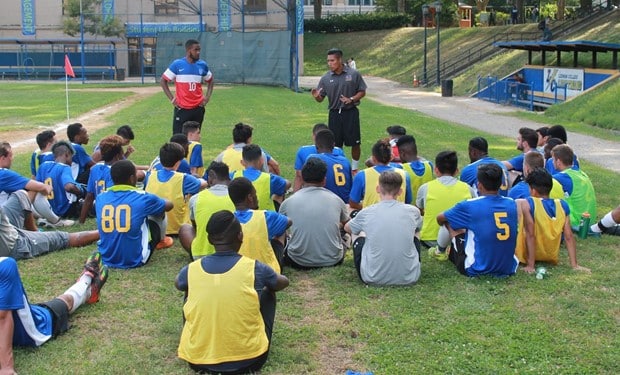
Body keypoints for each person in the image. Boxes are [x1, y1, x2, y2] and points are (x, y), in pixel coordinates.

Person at [175, 210, 289, 374]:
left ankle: (199, 342)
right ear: (240, 236)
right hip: (251, 360)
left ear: (209, 239)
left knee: (188, 290)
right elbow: (282, 282)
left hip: (197, 361)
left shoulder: (192, 269)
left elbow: (179, 284)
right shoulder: (254, 267)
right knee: (268, 291)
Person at [0, 252, 108, 374]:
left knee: (64, 302)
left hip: (28, 329)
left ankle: (86, 283)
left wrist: (6, 368)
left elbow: (2, 318)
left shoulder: (4, 265)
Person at [437, 163, 519, 277]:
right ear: (501, 184)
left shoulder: (469, 205)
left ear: (479, 185)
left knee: (449, 220)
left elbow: (440, 217)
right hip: (508, 267)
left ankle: (439, 251)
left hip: (476, 268)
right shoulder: (512, 203)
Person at [344, 170, 421, 286]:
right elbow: (418, 229)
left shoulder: (367, 212)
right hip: (410, 277)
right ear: (400, 191)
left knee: (356, 231)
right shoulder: (413, 211)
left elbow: (347, 228)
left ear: (378, 189)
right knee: (415, 232)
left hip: (372, 277)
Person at [96, 160, 173, 269]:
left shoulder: (100, 197)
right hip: (135, 259)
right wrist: (160, 199)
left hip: (106, 257)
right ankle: (162, 241)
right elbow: (169, 205)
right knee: (158, 210)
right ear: (132, 178)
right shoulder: (143, 197)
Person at [515, 168, 590, 273]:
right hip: (550, 255)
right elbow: (568, 236)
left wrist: (530, 265)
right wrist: (575, 265)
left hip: (528, 254)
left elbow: (530, 234)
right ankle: (574, 265)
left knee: (518, 203)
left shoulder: (527, 203)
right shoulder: (562, 205)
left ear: (533, 190)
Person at [280, 157, 350, 269]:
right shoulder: (336, 199)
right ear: (324, 180)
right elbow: (347, 225)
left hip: (297, 260)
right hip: (333, 259)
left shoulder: (288, 202)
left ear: (302, 178)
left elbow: (280, 229)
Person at [312, 48, 367, 173]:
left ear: (340, 60)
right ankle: (339, 166)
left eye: (332, 60)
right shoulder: (326, 78)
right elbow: (321, 98)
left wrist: (352, 99)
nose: (330, 63)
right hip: (334, 114)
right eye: (328, 61)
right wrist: (317, 96)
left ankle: (354, 168)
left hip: (350, 113)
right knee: (335, 144)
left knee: (355, 142)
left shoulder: (353, 74)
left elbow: (362, 91)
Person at [417, 151, 476, 258]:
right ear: (457, 171)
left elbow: (420, 210)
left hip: (429, 239)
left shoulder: (425, 188)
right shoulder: (468, 189)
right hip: (459, 238)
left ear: (436, 170)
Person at [228, 177, 291, 274]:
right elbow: (288, 222)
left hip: (238, 272)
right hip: (267, 273)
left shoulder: (227, 220)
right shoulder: (265, 216)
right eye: (255, 194)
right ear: (250, 198)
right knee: (280, 229)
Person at [144, 142, 206, 236]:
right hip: (177, 229)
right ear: (178, 163)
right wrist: (198, 178)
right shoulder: (184, 178)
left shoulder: (150, 176)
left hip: (153, 226)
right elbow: (204, 184)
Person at [178, 161, 235, 260]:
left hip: (202, 255)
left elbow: (195, 226)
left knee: (185, 228)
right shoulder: (237, 197)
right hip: (233, 252)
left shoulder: (196, 198)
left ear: (211, 177)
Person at [0, 141, 61, 227]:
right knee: (32, 190)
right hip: (5, 222)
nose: (12, 159)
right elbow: (41, 187)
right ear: (3, 158)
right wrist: (49, 187)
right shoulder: (4, 174)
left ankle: (39, 218)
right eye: (10, 156)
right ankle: (55, 221)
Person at [160, 39, 214, 135]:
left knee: (195, 138)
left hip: (198, 108)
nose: (198, 52)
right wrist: (172, 99)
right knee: (178, 138)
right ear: (189, 50)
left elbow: (210, 80)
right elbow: (163, 81)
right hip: (182, 108)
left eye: (199, 50)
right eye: (196, 50)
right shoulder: (177, 64)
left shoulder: (202, 65)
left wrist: (207, 97)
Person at [349, 139, 411, 210]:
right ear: (391, 157)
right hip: (398, 218)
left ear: (373, 158)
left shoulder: (362, 175)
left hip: (371, 218)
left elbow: (353, 203)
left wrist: (366, 207)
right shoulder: (404, 174)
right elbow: (407, 201)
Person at [79, 135, 125, 224]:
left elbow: (89, 197)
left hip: (100, 212)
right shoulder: (117, 171)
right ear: (118, 154)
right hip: (114, 214)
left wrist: (81, 221)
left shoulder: (95, 168)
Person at [231, 144, 290, 212]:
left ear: (242, 162)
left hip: (239, 219)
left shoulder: (233, 176)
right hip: (265, 219)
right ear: (262, 161)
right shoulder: (269, 179)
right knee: (280, 191)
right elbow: (287, 184)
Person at [35, 141, 86, 219]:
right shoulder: (64, 167)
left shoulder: (43, 166)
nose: (71, 161)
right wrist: (82, 192)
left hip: (48, 209)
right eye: (71, 157)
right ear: (67, 155)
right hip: (65, 210)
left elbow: (37, 186)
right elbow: (69, 187)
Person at [551, 144, 597, 229]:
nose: (552, 162)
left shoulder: (560, 178)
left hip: (576, 222)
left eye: (553, 160)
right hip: (589, 220)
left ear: (558, 161)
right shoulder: (581, 173)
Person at [293, 123, 344, 192]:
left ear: (314, 136)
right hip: (338, 195)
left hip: (313, 193)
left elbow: (299, 176)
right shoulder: (338, 151)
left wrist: (295, 197)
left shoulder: (304, 151)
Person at [305, 129, 352, 203]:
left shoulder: (313, 158)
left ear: (316, 146)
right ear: (333, 145)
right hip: (345, 203)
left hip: (326, 202)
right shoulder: (345, 161)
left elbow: (308, 182)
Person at [215, 122, 281, 175]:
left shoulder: (223, 155)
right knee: (270, 167)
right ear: (249, 139)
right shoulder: (258, 152)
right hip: (252, 187)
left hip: (231, 189)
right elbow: (274, 165)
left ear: (233, 138)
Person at [396, 134, 433, 202]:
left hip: (409, 211)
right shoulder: (429, 165)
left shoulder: (400, 169)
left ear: (402, 153)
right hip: (427, 209)